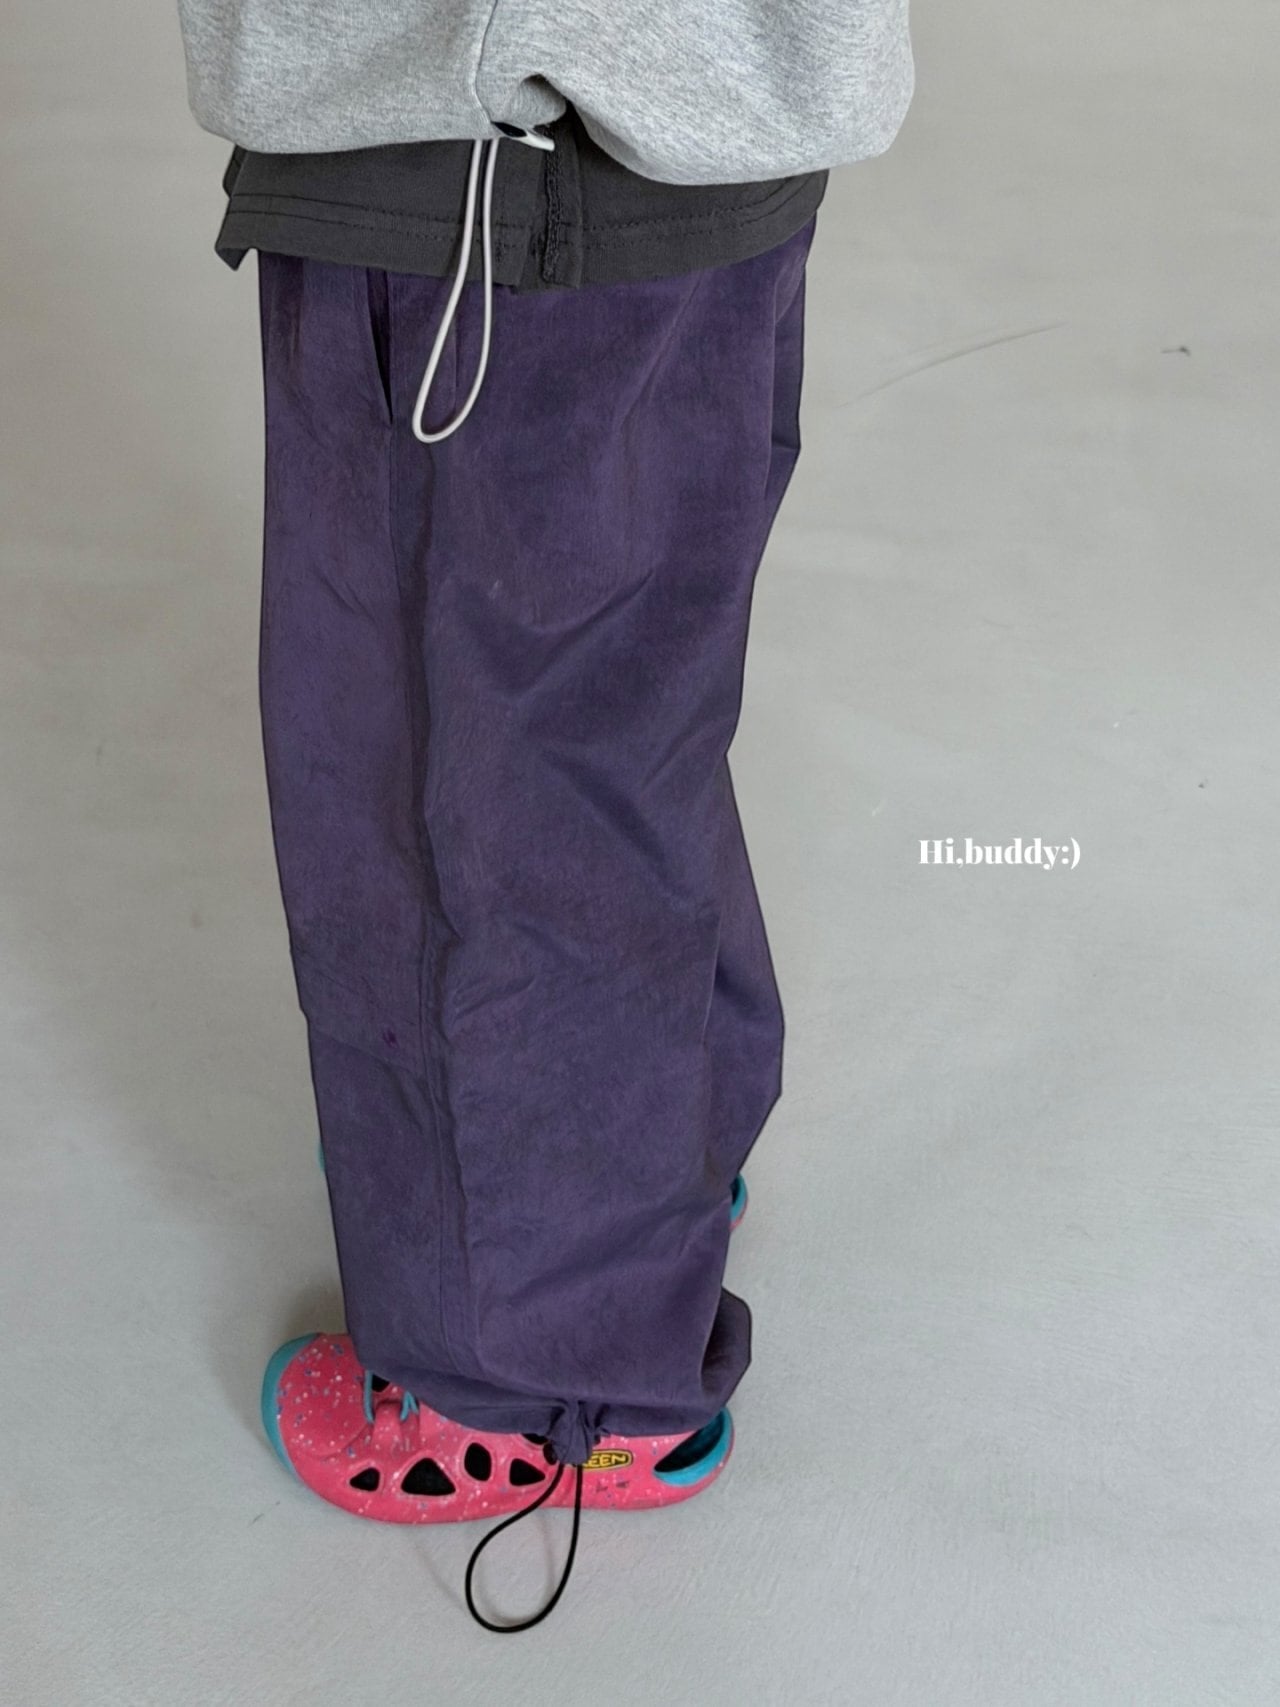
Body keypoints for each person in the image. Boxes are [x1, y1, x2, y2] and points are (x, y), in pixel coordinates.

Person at [176, 3, 915, 1634]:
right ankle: (644, 1167)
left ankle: (529, 1384)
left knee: (447, 790)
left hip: (482, 155)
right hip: (712, 111)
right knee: (611, 726)